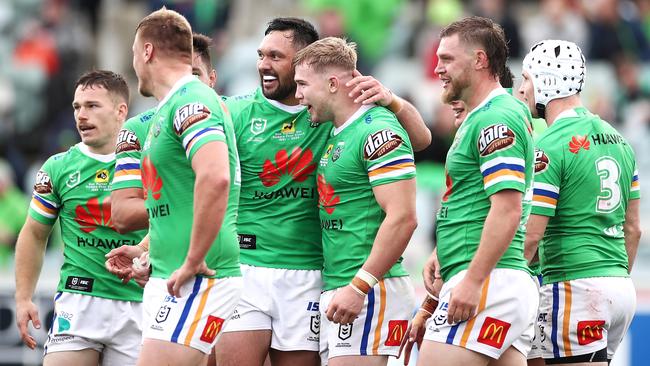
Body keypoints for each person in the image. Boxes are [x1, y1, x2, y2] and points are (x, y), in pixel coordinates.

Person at [215, 17, 430, 366]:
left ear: (305, 62)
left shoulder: (334, 115)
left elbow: (419, 142)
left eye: (275, 56)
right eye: (261, 55)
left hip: (312, 274)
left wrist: (393, 101)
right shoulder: (236, 111)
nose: (263, 65)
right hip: (249, 268)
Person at [417, 16, 538, 366]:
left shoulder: (495, 117)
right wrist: (446, 254)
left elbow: (507, 208)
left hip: (489, 282)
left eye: (447, 59)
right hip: (497, 281)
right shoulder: (482, 116)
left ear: (480, 60)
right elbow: (474, 201)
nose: (437, 68)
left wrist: (472, 280)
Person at [293, 36, 417, 366]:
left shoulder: (376, 128)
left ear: (333, 83)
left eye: (303, 84)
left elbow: (403, 217)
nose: (298, 95)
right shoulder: (338, 130)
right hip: (342, 285)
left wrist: (360, 286)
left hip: (368, 288)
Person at [130, 8, 242, 366]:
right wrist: (147, 249)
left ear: (147, 52)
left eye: (134, 54)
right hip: (171, 272)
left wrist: (193, 259)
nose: (133, 64)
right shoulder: (170, 106)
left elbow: (216, 176)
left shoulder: (191, 100)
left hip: (198, 274)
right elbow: (178, 195)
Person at [520, 40, 641, 365]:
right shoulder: (620, 141)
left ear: (546, 81)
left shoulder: (548, 143)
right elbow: (634, 229)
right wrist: (610, 280)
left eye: (526, 79)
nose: (522, 90)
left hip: (575, 286)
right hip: (620, 288)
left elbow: (531, 236)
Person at [14, 70, 145, 365]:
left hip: (138, 304)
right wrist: (23, 297)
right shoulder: (58, 167)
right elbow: (34, 233)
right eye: (77, 107)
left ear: (120, 110)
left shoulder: (150, 163)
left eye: (92, 106)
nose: (81, 116)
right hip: (79, 301)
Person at [109, 32, 218, 236]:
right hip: (166, 257)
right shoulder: (137, 130)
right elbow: (122, 214)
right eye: (180, 76)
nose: (186, 84)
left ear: (212, 79)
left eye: (195, 75)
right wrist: (186, 205)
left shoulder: (232, 116)